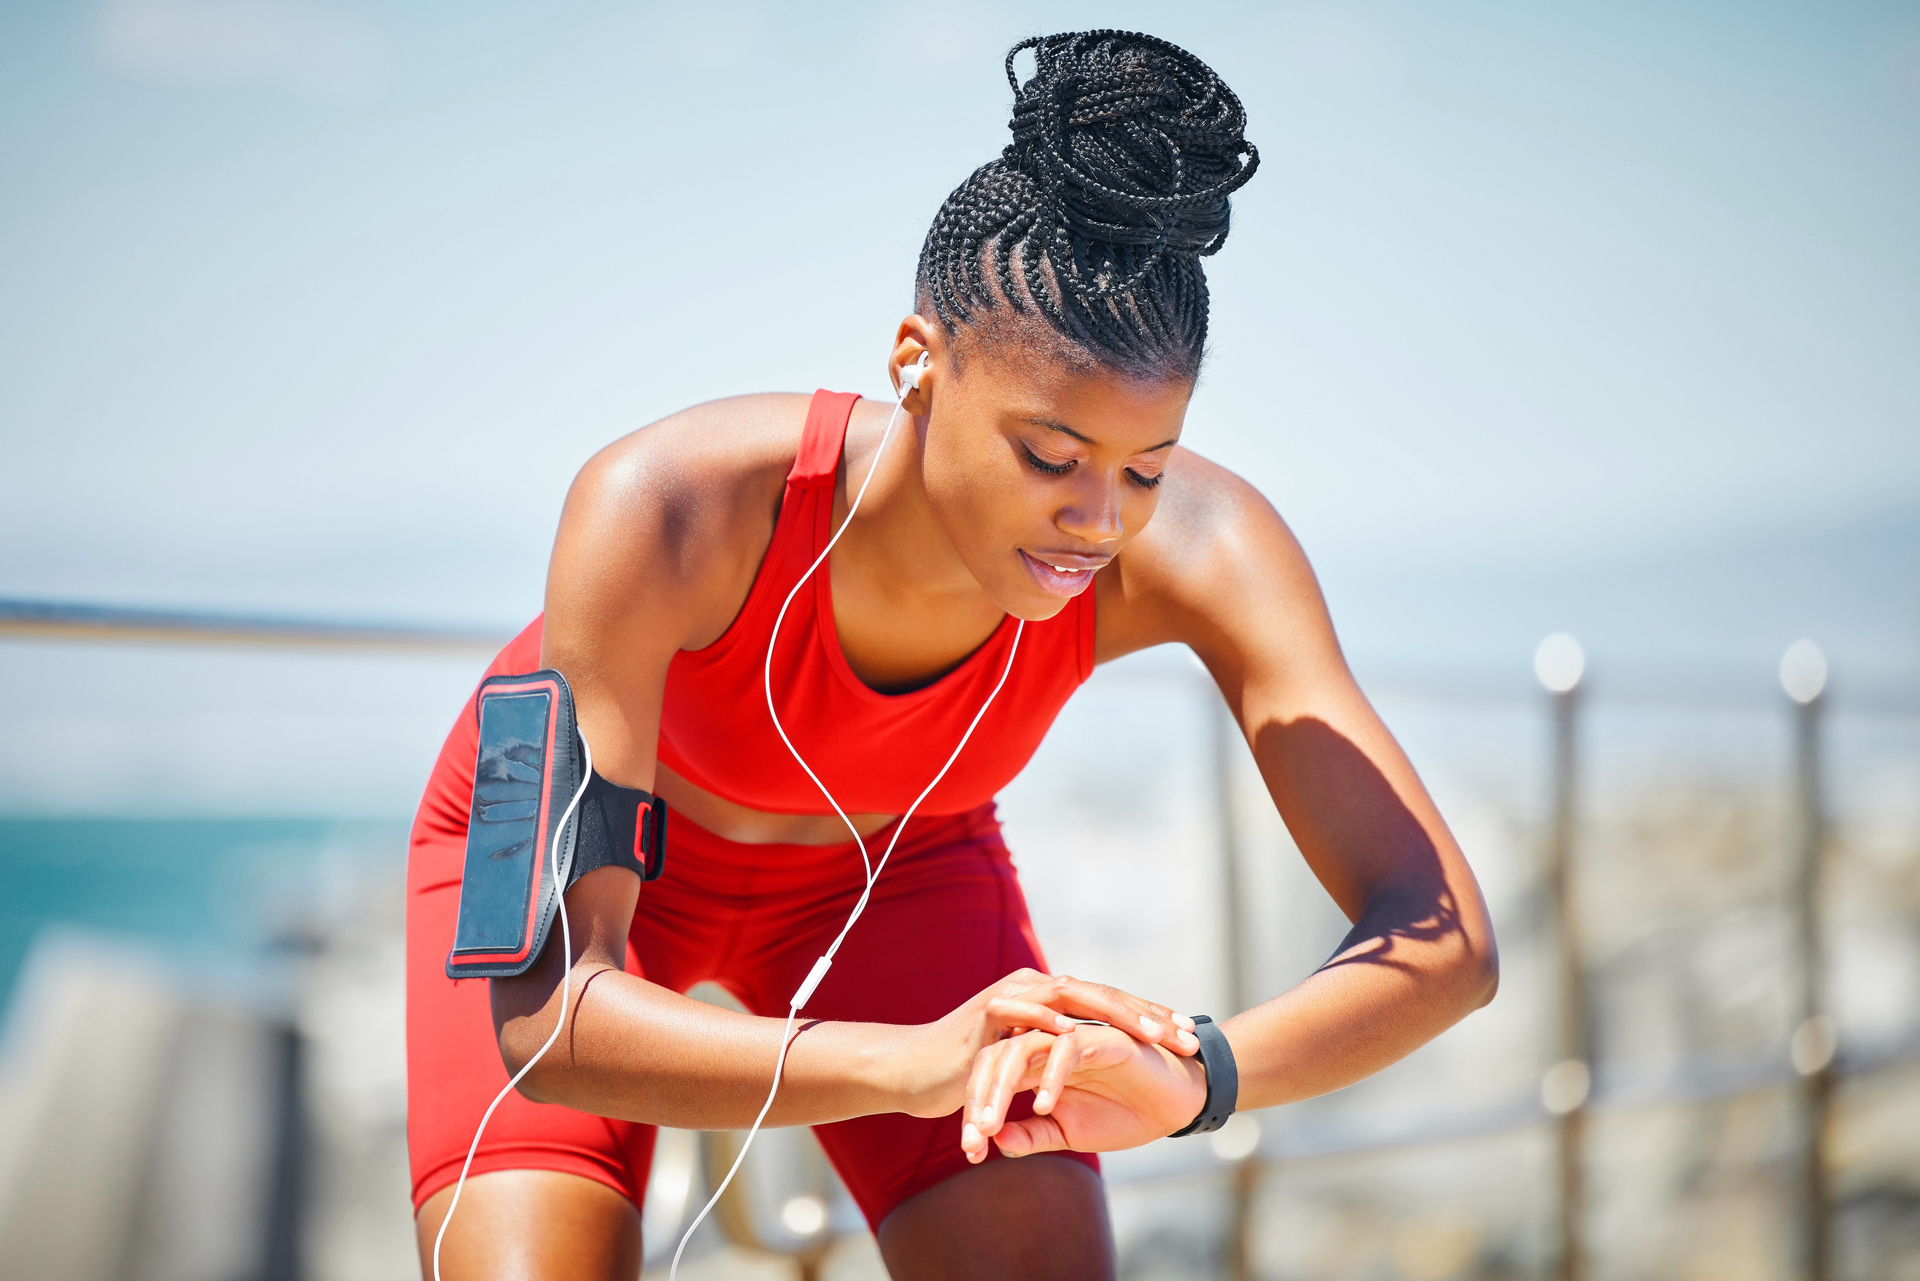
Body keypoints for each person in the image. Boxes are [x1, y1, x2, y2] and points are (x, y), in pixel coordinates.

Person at [406, 29, 1497, 1281]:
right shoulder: (661, 509)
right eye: (1048, 456)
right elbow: (552, 1021)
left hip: (898, 880)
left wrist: (1195, 1077)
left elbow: (1446, 942)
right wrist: (910, 1060)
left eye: (1143, 468)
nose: (1096, 522)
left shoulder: (1204, 549)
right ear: (917, 363)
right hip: (621, 907)